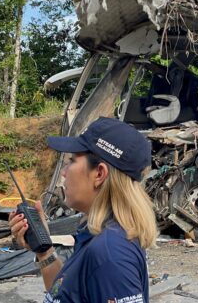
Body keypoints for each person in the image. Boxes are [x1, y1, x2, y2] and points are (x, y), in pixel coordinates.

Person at [9, 117, 158, 303]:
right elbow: (65, 293)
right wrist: (44, 252)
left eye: (71, 160)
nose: (64, 172)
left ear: (99, 174)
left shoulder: (110, 253)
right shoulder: (97, 236)